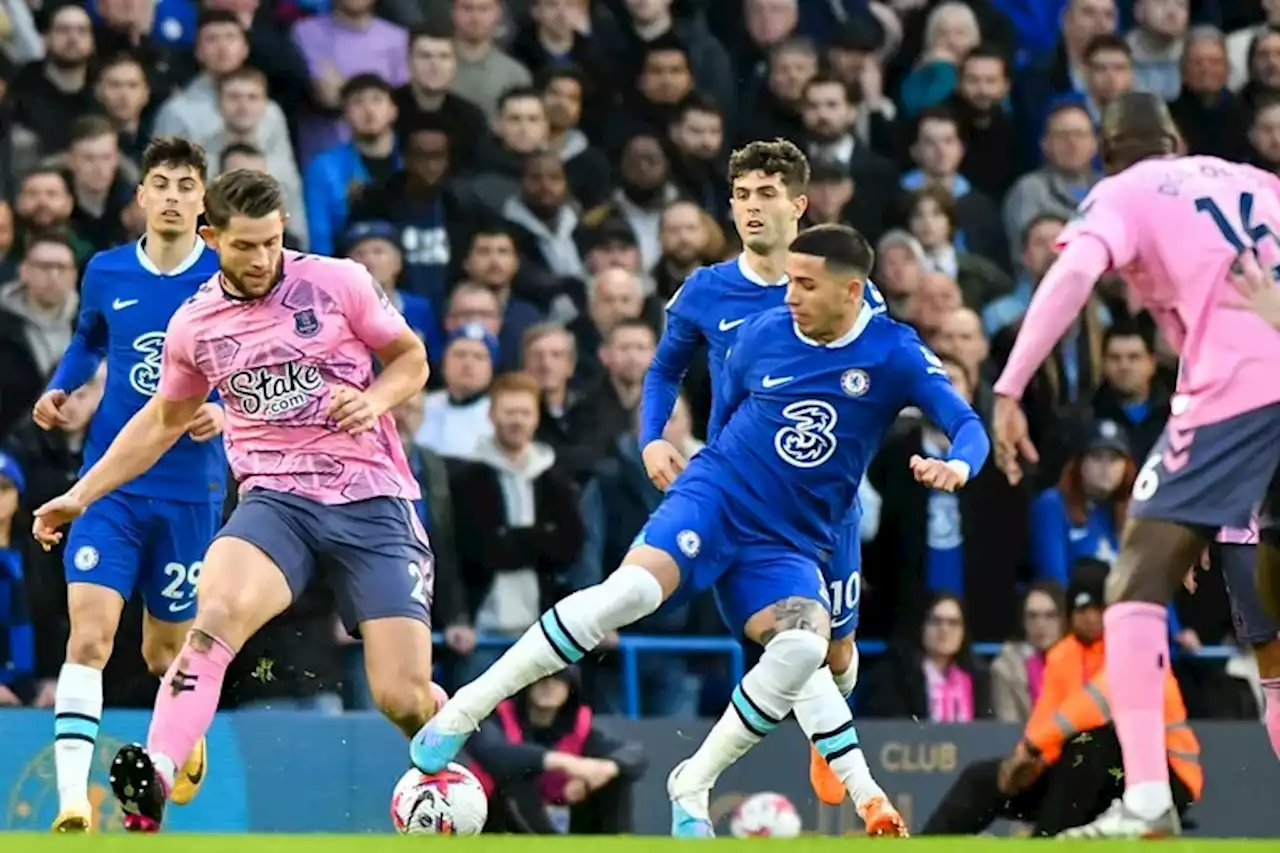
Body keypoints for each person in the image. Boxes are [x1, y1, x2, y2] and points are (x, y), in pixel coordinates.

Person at [409, 223, 990, 838]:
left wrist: (957, 464)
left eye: (805, 284)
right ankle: (467, 708)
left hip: (789, 539)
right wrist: (669, 452)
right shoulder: (764, 334)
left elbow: (967, 423)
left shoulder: (894, 353)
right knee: (628, 595)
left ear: (852, 292)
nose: (788, 294)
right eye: (789, 279)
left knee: (806, 650)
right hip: (715, 499)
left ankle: (693, 780)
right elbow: (723, 423)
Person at [31, 169, 437, 833]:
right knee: (213, 618)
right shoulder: (196, 323)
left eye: (272, 242)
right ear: (211, 236)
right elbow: (161, 422)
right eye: (246, 246)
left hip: (371, 499)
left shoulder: (339, 282)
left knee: (403, 697)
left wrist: (374, 399)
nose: (262, 259)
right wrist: (80, 495)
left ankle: (446, 746)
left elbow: (410, 358)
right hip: (275, 502)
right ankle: (156, 774)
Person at [991, 90, 1280, 837]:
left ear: (1107, 155)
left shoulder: (1124, 193)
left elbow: (1071, 277)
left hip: (1241, 396)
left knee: (1133, 584)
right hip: (1244, 394)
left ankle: (1148, 796)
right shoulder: (1258, 182)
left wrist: (1010, 384)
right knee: (1274, 643)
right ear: (1178, 141)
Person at [636, 137, 897, 828]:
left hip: (827, 501)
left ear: (799, 206)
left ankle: (822, 734)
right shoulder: (705, 290)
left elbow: (880, 369)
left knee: (840, 651)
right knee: (793, 637)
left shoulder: (851, 289)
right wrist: (653, 437)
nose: (753, 208)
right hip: (745, 496)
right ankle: (845, 772)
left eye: (767, 195)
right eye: (743, 195)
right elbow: (663, 370)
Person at [31, 137, 226, 834]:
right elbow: (89, 339)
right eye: (161, 183)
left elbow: (251, 368)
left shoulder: (226, 277)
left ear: (204, 201)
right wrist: (60, 388)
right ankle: (72, 800)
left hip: (189, 491)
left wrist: (224, 410)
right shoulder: (107, 269)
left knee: (162, 652)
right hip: (108, 483)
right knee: (89, 637)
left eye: (186, 185)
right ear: (140, 195)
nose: (172, 195)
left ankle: (183, 728)